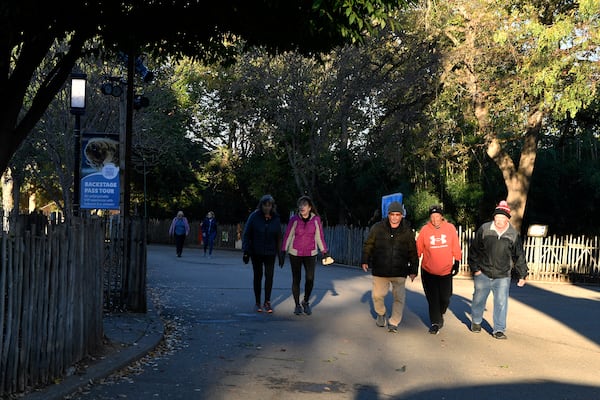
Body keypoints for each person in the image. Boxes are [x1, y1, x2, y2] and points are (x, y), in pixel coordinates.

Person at [468, 200, 528, 340]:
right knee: (478, 299)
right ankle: (476, 321)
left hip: (502, 275)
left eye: (502, 218)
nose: (499, 220)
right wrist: (475, 269)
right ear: (494, 217)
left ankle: (499, 329)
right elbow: (474, 250)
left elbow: (518, 255)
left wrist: (522, 274)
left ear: (507, 218)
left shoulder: (513, 234)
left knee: (501, 302)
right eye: (497, 217)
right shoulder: (485, 229)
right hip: (483, 272)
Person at [361, 201, 418, 333]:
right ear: (388, 215)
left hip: (400, 271)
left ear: (401, 216)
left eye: (397, 215)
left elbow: (413, 252)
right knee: (377, 296)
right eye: (392, 214)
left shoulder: (407, 231)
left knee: (399, 298)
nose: (394, 217)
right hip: (380, 270)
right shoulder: (377, 228)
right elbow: (368, 244)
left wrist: (414, 269)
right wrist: (365, 260)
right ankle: (381, 313)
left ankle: (394, 322)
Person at [416, 205, 462, 335]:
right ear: (430, 217)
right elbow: (418, 247)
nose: (435, 219)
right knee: (433, 299)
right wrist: (413, 264)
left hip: (445, 271)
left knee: (445, 298)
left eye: (437, 216)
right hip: (428, 270)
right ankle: (435, 322)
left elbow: (455, 245)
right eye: (432, 216)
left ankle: (440, 312)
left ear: (442, 216)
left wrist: (457, 261)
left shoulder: (450, 228)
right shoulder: (425, 230)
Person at [281, 195, 329, 315]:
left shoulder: (316, 220)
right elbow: (288, 235)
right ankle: (297, 305)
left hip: (311, 253)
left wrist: (325, 252)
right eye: (300, 205)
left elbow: (319, 236)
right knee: (296, 279)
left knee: (310, 278)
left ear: (309, 208)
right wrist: (283, 251)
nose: (302, 207)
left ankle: (305, 301)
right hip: (295, 253)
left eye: (305, 205)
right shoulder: (294, 220)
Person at [242, 194, 284, 313]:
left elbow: (279, 237)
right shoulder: (254, 217)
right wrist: (246, 251)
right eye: (265, 205)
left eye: (269, 206)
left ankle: (267, 301)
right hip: (256, 251)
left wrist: (280, 254)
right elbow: (247, 234)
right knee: (258, 276)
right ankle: (257, 302)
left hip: (270, 252)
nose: (267, 208)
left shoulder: (276, 218)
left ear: (272, 206)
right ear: (261, 205)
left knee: (269, 276)